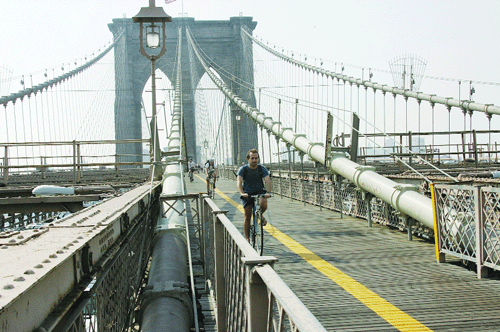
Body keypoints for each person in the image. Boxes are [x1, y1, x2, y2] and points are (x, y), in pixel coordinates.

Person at [237, 149, 272, 242]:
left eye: (256, 158)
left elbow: (267, 180)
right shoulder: (243, 169)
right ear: (248, 159)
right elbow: (239, 181)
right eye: (252, 158)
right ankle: (247, 238)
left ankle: (260, 215)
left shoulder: (261, 168)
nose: (254, 160)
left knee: (263, 203)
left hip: (259, 191)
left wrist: (268, 192)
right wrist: (242, 193)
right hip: (247, 193)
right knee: (247, 215)